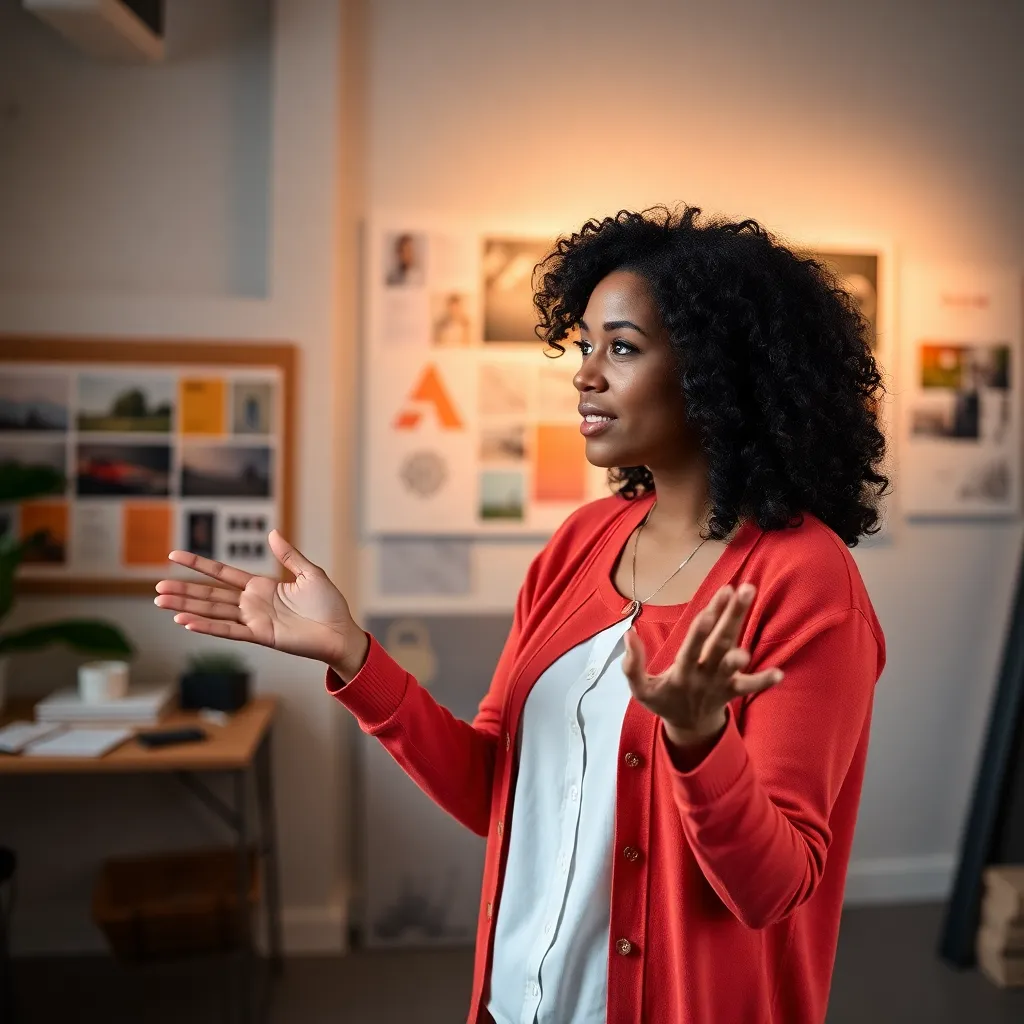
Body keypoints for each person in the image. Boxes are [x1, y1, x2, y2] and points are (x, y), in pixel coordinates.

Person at [154, 206, 888, 1024]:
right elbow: (492, 792)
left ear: (717, 370)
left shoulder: (807, 578)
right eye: (584, 347)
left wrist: (699, 742)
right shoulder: (580, 543)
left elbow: (774, 888)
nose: (584, 375)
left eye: (622, 347)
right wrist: (355, 657)